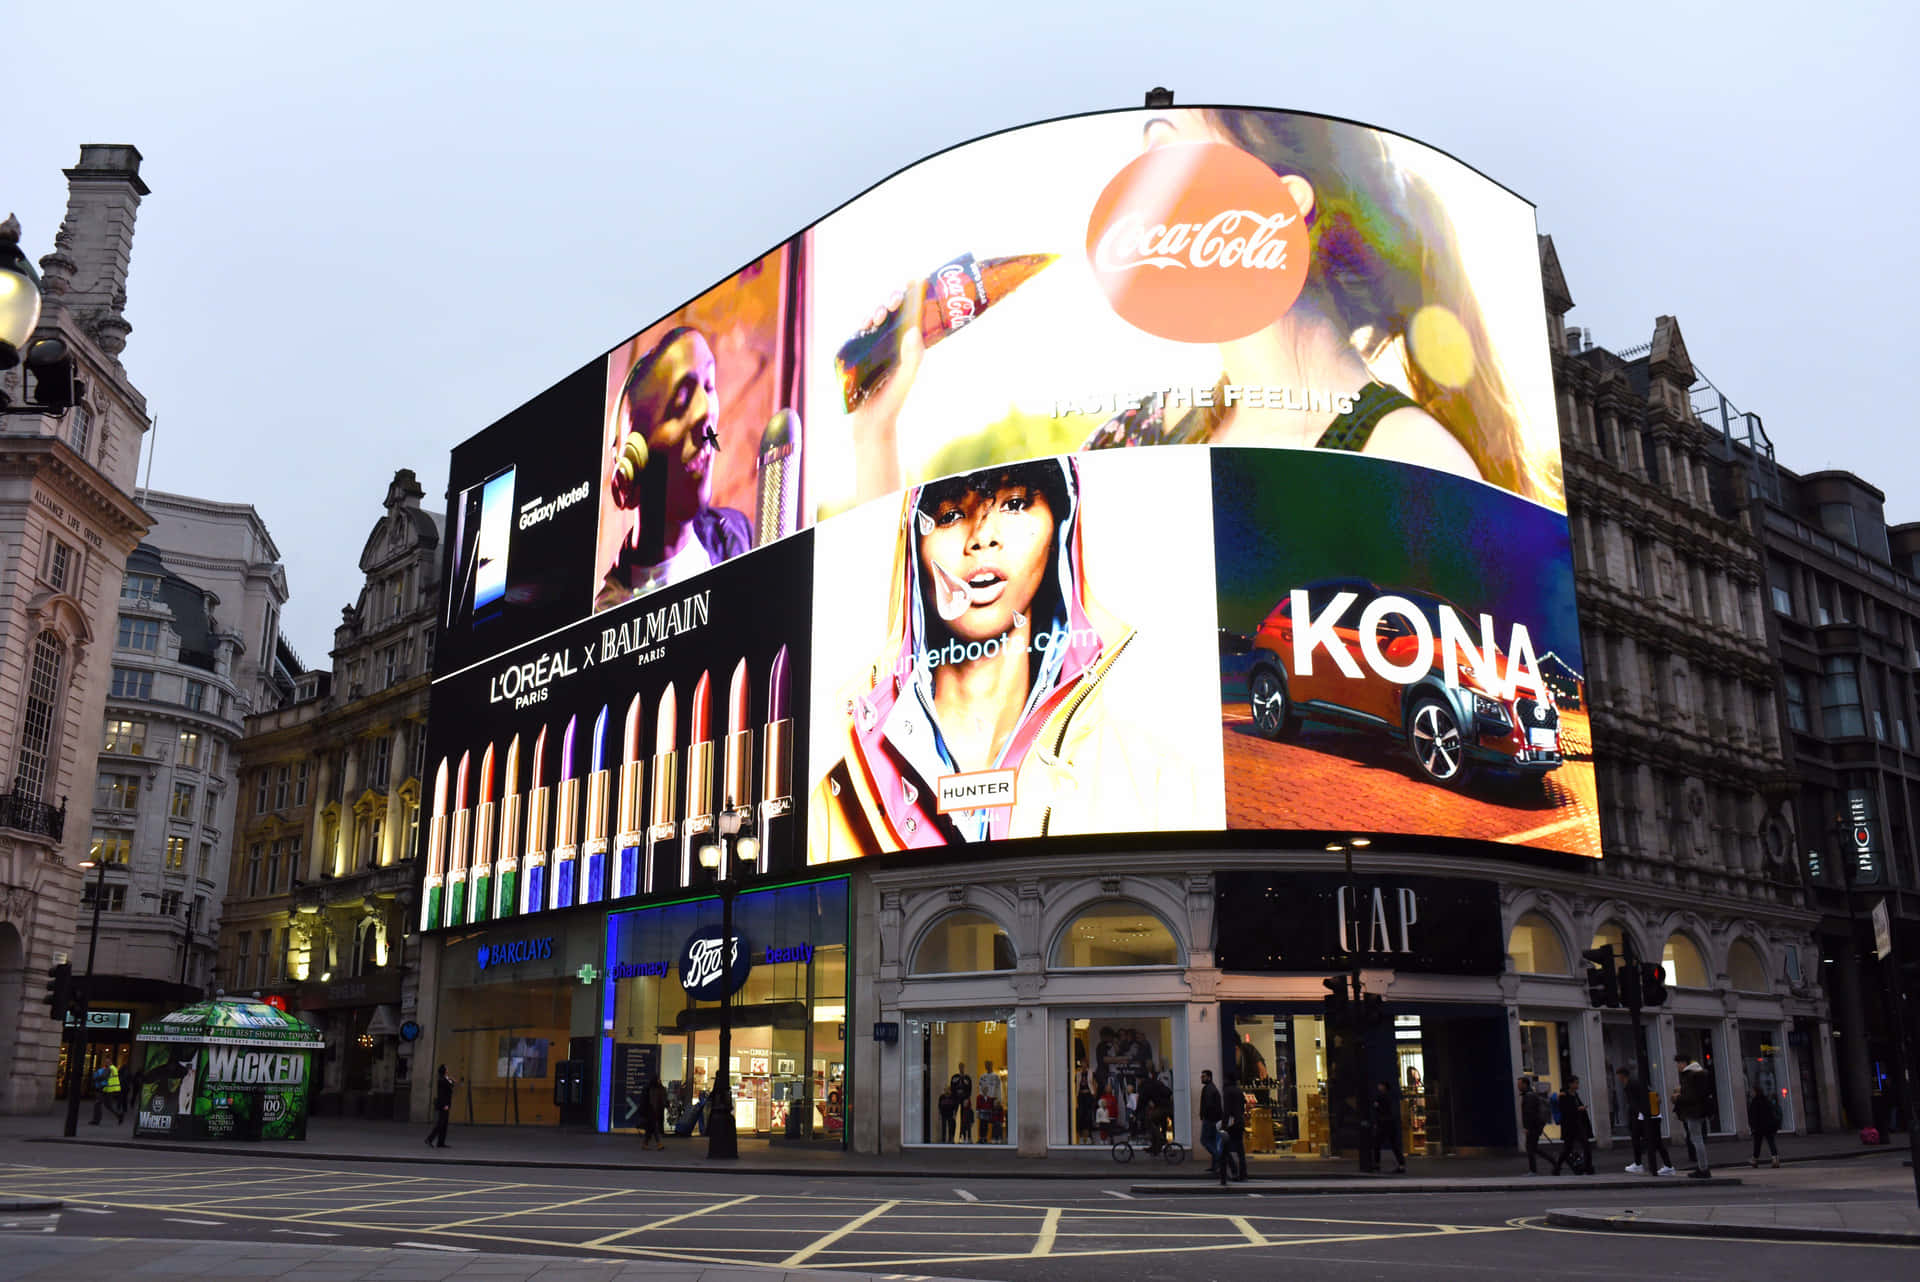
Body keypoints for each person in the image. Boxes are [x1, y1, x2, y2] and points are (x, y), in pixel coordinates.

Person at [842, 111, 1559, 512]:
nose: (1138, 191)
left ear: (1281, 205)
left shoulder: (1409, 460)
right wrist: (876, 434)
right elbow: (940, 623)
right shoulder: (1143, 434)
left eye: (1169, 151)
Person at [809, 457, 1197, 857]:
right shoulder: (831, 808)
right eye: (950, 514)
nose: (982, 537)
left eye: (1015, 503)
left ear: (1059, 528)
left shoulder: (1158, 782)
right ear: (914, 550)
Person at [596, 327, 751, 609]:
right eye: (680, 402)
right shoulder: (609, 612)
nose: (706, 411)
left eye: (709, 386)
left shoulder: (737, 533)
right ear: (633, 465)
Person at [1673, 1055, 1714, 1178]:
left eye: (1678, 1063)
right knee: (1698, 1139)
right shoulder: (1699, 1074)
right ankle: (1703, 1167)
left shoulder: (1689, 1076)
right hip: (1700, 1111)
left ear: (1684, 1063)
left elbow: (1690, 1097)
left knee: (1697, 1140)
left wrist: (1677, 1097)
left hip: (1693, 1112)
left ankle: (1703, 1168)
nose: (1677, 1066)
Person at [1552, 1075, 1593, 1176]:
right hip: (1570, 1126)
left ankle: (1588, 1168)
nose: (1577, 1085)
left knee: (1585, 1146)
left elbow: (1576, 1106)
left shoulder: (1575, 1094)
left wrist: (1580, 1109)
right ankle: (1557, 1168)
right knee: (1568, 1149)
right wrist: (1578, 1109)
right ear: (1570, 1084)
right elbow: (1565, 1110)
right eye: (1576, 1083)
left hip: (1578, 1124)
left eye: (1577, 1082)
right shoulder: (1564, 1095)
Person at [1217, 1073, 1248, 1184]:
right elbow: (1243, 1105)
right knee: (1240, 1150)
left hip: (1231, 1124)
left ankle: (1231, 1172)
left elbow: (1227, 1110)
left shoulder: (1227, 1091)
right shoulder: (1239, 1091)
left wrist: (1224, 1125)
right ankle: (1243, 1173)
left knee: (1224, 1149)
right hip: (1239, 1122)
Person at [1520, 1075, 1551, 1175]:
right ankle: (1554, 1162)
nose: (1518, 1086)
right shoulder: (1530, 1094)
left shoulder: (1529, 1096)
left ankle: (1533, 1170)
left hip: (1533, 1127)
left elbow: (1529, 1113)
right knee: (1534, 1148)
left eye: (1520, 1084)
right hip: (1536, 1126)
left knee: (1530, 1148)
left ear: (1525, 1084)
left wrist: (1527, 1127)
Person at [1372, 1081, 1405, 1173]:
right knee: (1394, 1145)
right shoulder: (1391, 1096)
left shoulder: (1380, 1097)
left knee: (1377, 1144)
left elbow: (1377, 1109)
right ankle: (1401, 1165)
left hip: (1383, 1123)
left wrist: (1376, 1122)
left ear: (1384, 1087)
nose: (1378, 1086)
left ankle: (1377, 1164)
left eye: (1380, 1085)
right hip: (1391, 1123)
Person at [1748, 1082, 1781, 1169]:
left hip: (1759, 1127)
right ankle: (1775, 1159)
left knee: (1757, 1144)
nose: (1750, 1093)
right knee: (1771, 1142)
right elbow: (1771, 1112)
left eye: (1752, 1091)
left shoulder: (1755, 1102)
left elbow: (1753, 1116)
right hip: (1769, 1126)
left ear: (1755, 1092)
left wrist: (1752, 1127)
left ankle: (1754, 1160)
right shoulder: (1766, 1100)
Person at [1199, 1068, 1224, 1173]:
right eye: (1201, 1076)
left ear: (1209, 1077)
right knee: (1212, 1141)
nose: (1201, 1078)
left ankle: (1218, 1158)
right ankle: (1215, 1166)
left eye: (1203, 1076)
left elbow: (1209, 1106)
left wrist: (1204, 1116)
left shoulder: (1208, 1089)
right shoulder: (1211, 1088)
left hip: (1210, 1119)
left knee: (1204, 1140)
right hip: (1215, 1119)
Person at [425, 1065, 455, 1148]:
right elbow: (443, 1094)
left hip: (446, 1104)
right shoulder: (442, 1080)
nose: (448, 1069)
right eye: (447, 1068)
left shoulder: (445, 1079)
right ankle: (429, 1139)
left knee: (444, 1124)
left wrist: (451, 1080)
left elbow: (451, 1085)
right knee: (441, 1123)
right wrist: (445, 1105)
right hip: (444, 1105)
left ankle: (440, 1142)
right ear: (444, 1070)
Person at [644, 1074, 669, 1151]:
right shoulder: (652, 1089)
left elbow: (663, 1099)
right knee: (654, 1128)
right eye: (658, 1079)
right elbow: (654, 1101)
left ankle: (645, 1144)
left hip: (655, 1111)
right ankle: (659, 1144)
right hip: (652, 1111)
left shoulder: (656, 1088)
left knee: (650, 1129)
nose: (659, 1081)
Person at [950, 1062, 974, 1144]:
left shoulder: (967, 1078)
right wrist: (953, 1098)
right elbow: (952, 1088)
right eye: (960, 1066)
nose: (961, 1068)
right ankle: (952, 1137)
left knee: (964, 1118)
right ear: (958, 1067)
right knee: (953, 1117)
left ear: (964, 1067)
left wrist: (967, 1098)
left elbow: (970, 1089)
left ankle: (962, 1136)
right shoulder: (954, 1077)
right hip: (956, 1099)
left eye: (962, 1066)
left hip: (964, 1099)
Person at [1076, 1071, 1097, 1143]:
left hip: (1088, 1097)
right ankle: (1081, 1136)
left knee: (1088, 1115)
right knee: (1081, 1115)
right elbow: (1076, 1085)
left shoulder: (1091, 1074)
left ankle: (1088, 1136)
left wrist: (1094, 1094)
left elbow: (1094, 1084)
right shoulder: (1078, 1074)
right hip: (1081, 1097)